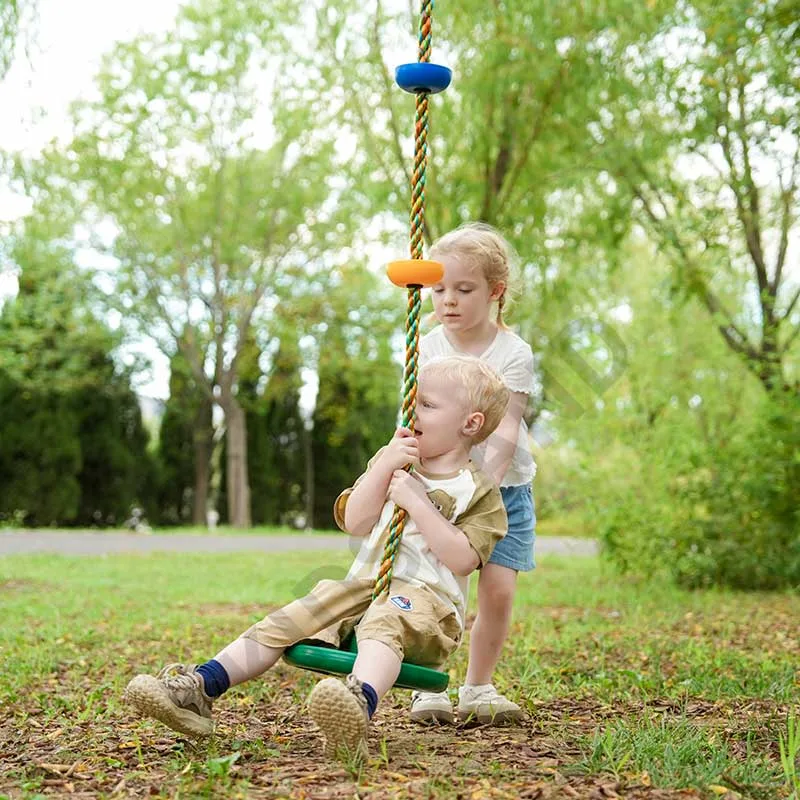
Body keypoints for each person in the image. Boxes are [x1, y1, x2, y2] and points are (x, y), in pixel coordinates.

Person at [125, 355, 510, 761]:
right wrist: (385, 469)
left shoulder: (479, 491)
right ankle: (201, 689)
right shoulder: (394, 459)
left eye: (428, 405)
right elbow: (356, 521)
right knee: (292, 616)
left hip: (427, 607)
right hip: (363, 589)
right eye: (411, 399)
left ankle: (357, 708)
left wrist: (417, 502)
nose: (411, 409)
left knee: (386, 618)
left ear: (470, 424)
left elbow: (464, 559)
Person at [409, 222, 537, 726]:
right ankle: (427, 687)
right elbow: (417, 418)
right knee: (438, 591)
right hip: (438, 490)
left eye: (464, 289)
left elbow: (504, 432)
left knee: (498, 590)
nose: (449, 301)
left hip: (501, 491)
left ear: (495, 292)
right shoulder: (427, 347)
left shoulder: (513, 354)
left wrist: (477, 492)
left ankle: (478, 686)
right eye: (439, 289)